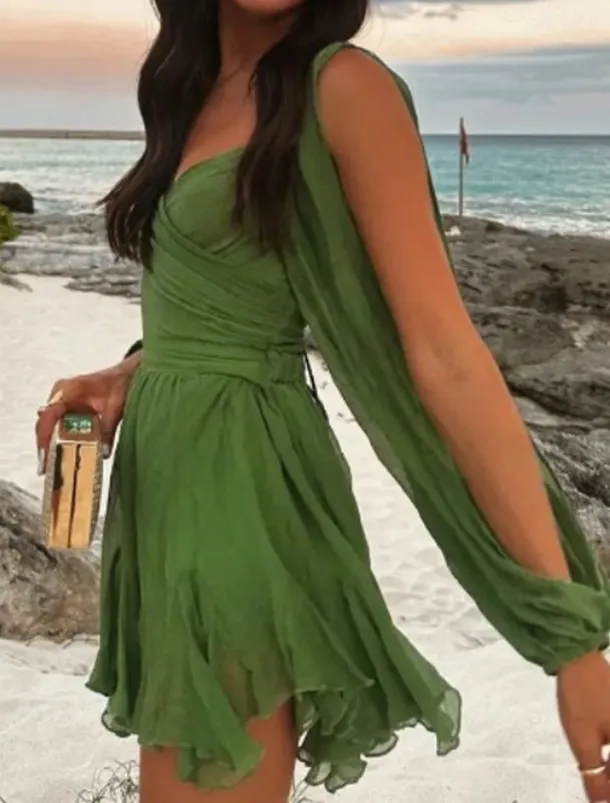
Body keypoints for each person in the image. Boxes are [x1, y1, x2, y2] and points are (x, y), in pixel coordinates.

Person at [35, 2, 610, 802]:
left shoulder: (343, 86)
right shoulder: (195, 87)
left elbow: (446, 356)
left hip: (243, 488)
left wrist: (571, 636)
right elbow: (239, 293)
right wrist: (133, 370)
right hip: (166, 486)